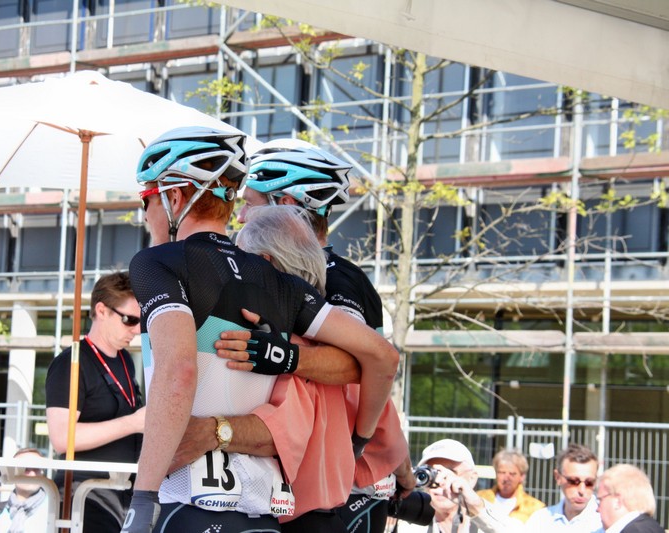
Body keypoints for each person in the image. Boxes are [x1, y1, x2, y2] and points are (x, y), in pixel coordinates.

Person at [122, 126, 399, 533]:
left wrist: (142, 497)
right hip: (264, 516)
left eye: (146, 198)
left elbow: (178, 371)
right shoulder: (279, 279)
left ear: (174, 197)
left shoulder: (156, 262)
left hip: (186, 504)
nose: (145, 213)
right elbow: (383, 356)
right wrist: (359, 439)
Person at [236, 140, 413, 533]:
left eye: (249, 203)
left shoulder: (330, 278)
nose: (241, 215)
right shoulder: (336, 272)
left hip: (327, 491)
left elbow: (359, 366)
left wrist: (360, 443)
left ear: (284, 204)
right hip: (320, 487)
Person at [46, 271, 144, 531]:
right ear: (102, 311)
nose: (136, 330)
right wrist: (133, 423)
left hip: (123, 495)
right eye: (130, 320)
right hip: (85, 498)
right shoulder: (71, 363)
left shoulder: (125, 360)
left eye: (140, 320)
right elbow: (61, 437)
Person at [396, 439, 521, 533]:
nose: (440, 482)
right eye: (431, 474)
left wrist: (476, 507)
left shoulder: (490, 524)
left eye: (450, 473)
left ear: (472, 478)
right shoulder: (409, 528)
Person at [525, 443, 603, 532]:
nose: (582, 490)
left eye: (589, 482)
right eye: (573, 481)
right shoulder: (540, 521)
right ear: (558, 477)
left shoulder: (605, 522)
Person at [0, 447, 50, 533]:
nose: (32, 474)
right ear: (11, 472)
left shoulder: (54, 509)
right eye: (25, 468)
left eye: (37, 468)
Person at [476, 449, 545, 523]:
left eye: (512, 474)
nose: (506, 478)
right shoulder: (480, 498)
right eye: (502, 472)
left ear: (522, 476)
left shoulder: (534, 507)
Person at [596, 464, 663, 533]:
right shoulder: (651, 527)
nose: (597, 509)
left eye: (600, 500)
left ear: (618, 501)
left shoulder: (635, 531)